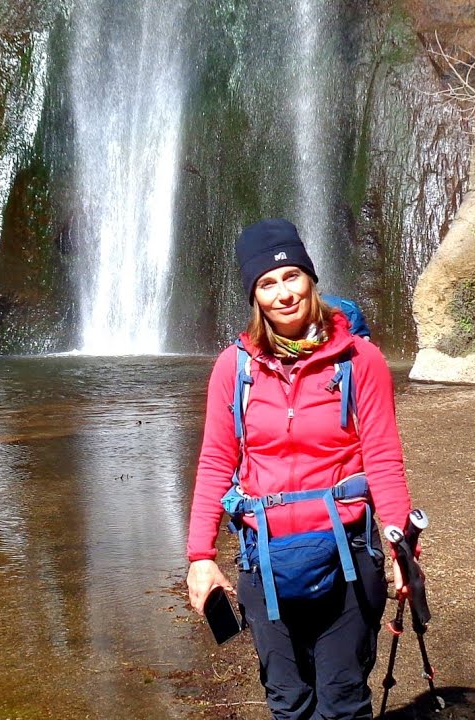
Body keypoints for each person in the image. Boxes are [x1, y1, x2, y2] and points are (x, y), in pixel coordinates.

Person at [185, 218, 418, 720]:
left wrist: (402, 548)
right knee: (288, 702)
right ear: (254, 296)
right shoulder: (235, 367)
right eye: (267, 283)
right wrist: (201, 555)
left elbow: (383, 457)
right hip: (263, 558)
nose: (283, 293)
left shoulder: (360, 360)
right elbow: (214, 461)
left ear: (311, 278)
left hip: (346, 557)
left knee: (343, 700)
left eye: (291, 276)